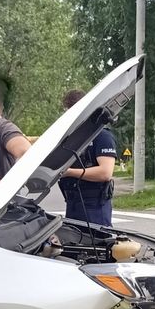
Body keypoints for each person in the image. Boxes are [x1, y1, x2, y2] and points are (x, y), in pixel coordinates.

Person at [57, 89, 117, 226]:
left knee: (96, 245)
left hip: (94, 206)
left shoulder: (102, 136)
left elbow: (105, 173)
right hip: (73, 202)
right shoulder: (73, 139)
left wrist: (69, 172)